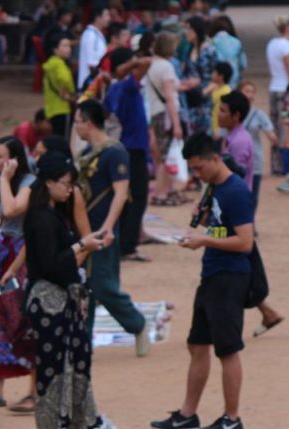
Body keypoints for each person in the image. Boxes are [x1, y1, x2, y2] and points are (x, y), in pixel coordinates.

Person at [151, 133, 254, 429]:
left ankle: (232, 419)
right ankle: (187, 414)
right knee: (197, 343)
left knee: (228, 349)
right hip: (212, 274)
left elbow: (245, 242)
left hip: (229, 276)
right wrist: (204, 221)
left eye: (199, 168)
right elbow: (222, 227)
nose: (197, 175)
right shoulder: (215, 188)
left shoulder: (234, 191)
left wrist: (204, 240)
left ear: (214, 159)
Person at [23, 153, 116, 429]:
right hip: (48, 299)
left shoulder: (53, 214)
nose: (69, 190)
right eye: (65, 184)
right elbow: (51, 263)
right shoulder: (39, 218)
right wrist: (81, 244)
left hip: (64, 297)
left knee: (73, 363)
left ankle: (80, 421)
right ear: (49, 182)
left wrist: (90, 243)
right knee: (51, 368)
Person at [73, 100, 152, 357]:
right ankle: (83, 341)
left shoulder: (114, 152)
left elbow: (120, 193)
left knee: (103, 285)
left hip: (101, 230)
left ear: (88, 123)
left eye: (77, 121)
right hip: (83, 229)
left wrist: (108, 227)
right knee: (83, 287)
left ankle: (137, 325)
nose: (75, 126)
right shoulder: (86, 154)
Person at [0, 136, 35, 411]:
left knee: (23, 319)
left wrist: (5, 176)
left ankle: (35, 390)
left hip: (22, 257)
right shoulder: (9, 182)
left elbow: (12, 209)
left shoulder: (28, 183)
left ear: (14, 160)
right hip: (4, 254)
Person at [224, 87, 285, 338]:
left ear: (236, 115)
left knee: (237, 261)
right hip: (236, 205)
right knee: (238, 260)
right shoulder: (236, 137)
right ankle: (267, 311)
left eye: (224, 110)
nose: (219, 114)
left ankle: (261, 310)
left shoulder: (238, 142)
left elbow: (231, 177)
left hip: (234, 207)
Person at [104, 47, 153, 263]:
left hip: (126, 146)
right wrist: (131, 65)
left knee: (126, 197)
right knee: (137, 197)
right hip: (133, 148)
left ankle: (124, 242)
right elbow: (146, 62)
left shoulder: (113, 88)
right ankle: (128, 245)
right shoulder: (127, 86)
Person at [146, 32, 185, 207]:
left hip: (156, 112)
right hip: (166, 114)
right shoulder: (167, 67)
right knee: (166, 155)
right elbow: (169, 96)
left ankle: (164, 191)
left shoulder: (152, 65)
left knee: (161, 155)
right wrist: (176, 124)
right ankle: (162, 193)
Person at [237, 81, 280, 216]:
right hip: (236, 159)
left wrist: (273, 138)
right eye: (246, 91)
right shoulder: (233, 113)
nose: (249, 95)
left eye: (252, 92)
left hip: (254, 160)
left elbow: (270, 132)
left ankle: (249, 223)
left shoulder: (259, 114)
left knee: (252, 195)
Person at [266, 15, 289, 176]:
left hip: (273, 88)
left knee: (275, 126)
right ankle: (285, 164)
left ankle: (276, 164)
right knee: (285, 126)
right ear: (288, 27)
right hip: (284, 91)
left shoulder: (272, 43)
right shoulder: (286, 45)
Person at [180, 16, 218, 137]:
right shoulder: (188, 50)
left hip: (204, 100)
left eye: (189, 29)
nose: (187, 33)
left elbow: (217, 77)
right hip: (189, 100)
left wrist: (204, 91)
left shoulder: (210, 51)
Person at [42, 33, 75, 138]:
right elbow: (65, 79)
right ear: (55, 49)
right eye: (64, 46)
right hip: (62, 108)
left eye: (69, 46)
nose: (68, 49)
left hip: (51, 108)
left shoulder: (50, 64)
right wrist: (70, 91)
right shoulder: (60, 64)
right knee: (63, 140)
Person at [77, 5, 109, 89]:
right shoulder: (90, 35)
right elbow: (92, 64)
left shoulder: (96, 35)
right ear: (98, 17)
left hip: (95, 84)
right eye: (106, 15)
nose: (108, 18)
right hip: (89, 85)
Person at [210, 15, 246, 89]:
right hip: (234, 79)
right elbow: (243, 64)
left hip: (216, 80)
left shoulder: (211, 42)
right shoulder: (236, 42)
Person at [207, 62, 234, 137]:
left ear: (221, 76)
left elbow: (218, 111)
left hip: (218, 129)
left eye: (214, 72)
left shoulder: (225, 92)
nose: (212, 74)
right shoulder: (216, 89)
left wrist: (217, 128)